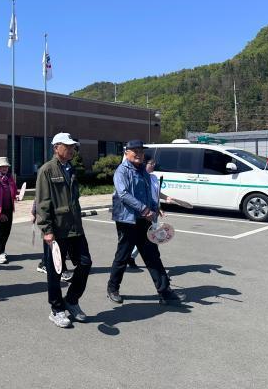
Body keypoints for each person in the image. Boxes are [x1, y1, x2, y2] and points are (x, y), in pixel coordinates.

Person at [107, 140, 182, 305]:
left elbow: (150, 193)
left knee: (152, 256)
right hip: (127, 220)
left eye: (141, 151)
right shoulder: (121, 171)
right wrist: (144, 209)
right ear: (126, 153)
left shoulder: (143, 171)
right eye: (135, 151)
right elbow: (123, 194)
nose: (139, 154)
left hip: (145, 220)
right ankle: (112, 289)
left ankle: (165, 291)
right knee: (123, 256)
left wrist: (155, 208)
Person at [35, 132, 92, 328]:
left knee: (85, 263)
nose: (71, 150)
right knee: (55, 272)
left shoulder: (71, 168)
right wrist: (47, 230)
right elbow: (43, 203)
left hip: (75, 228)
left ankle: (72, 300)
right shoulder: (46, 170)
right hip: (56, 230)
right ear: (56, 147)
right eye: (67, 146)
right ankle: (57, 309)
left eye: (72, 147)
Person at [127, 157, 174, 267]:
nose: (153, 165)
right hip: (146, 212)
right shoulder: (141, 178)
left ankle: (131, 257)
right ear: (144, 164)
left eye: (154, 163)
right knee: (150, 237)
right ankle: (154, 262)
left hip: (154, 211)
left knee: (150, 237)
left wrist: (165, 199)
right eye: (151, 163)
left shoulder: (153, 177)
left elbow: (156, 194)